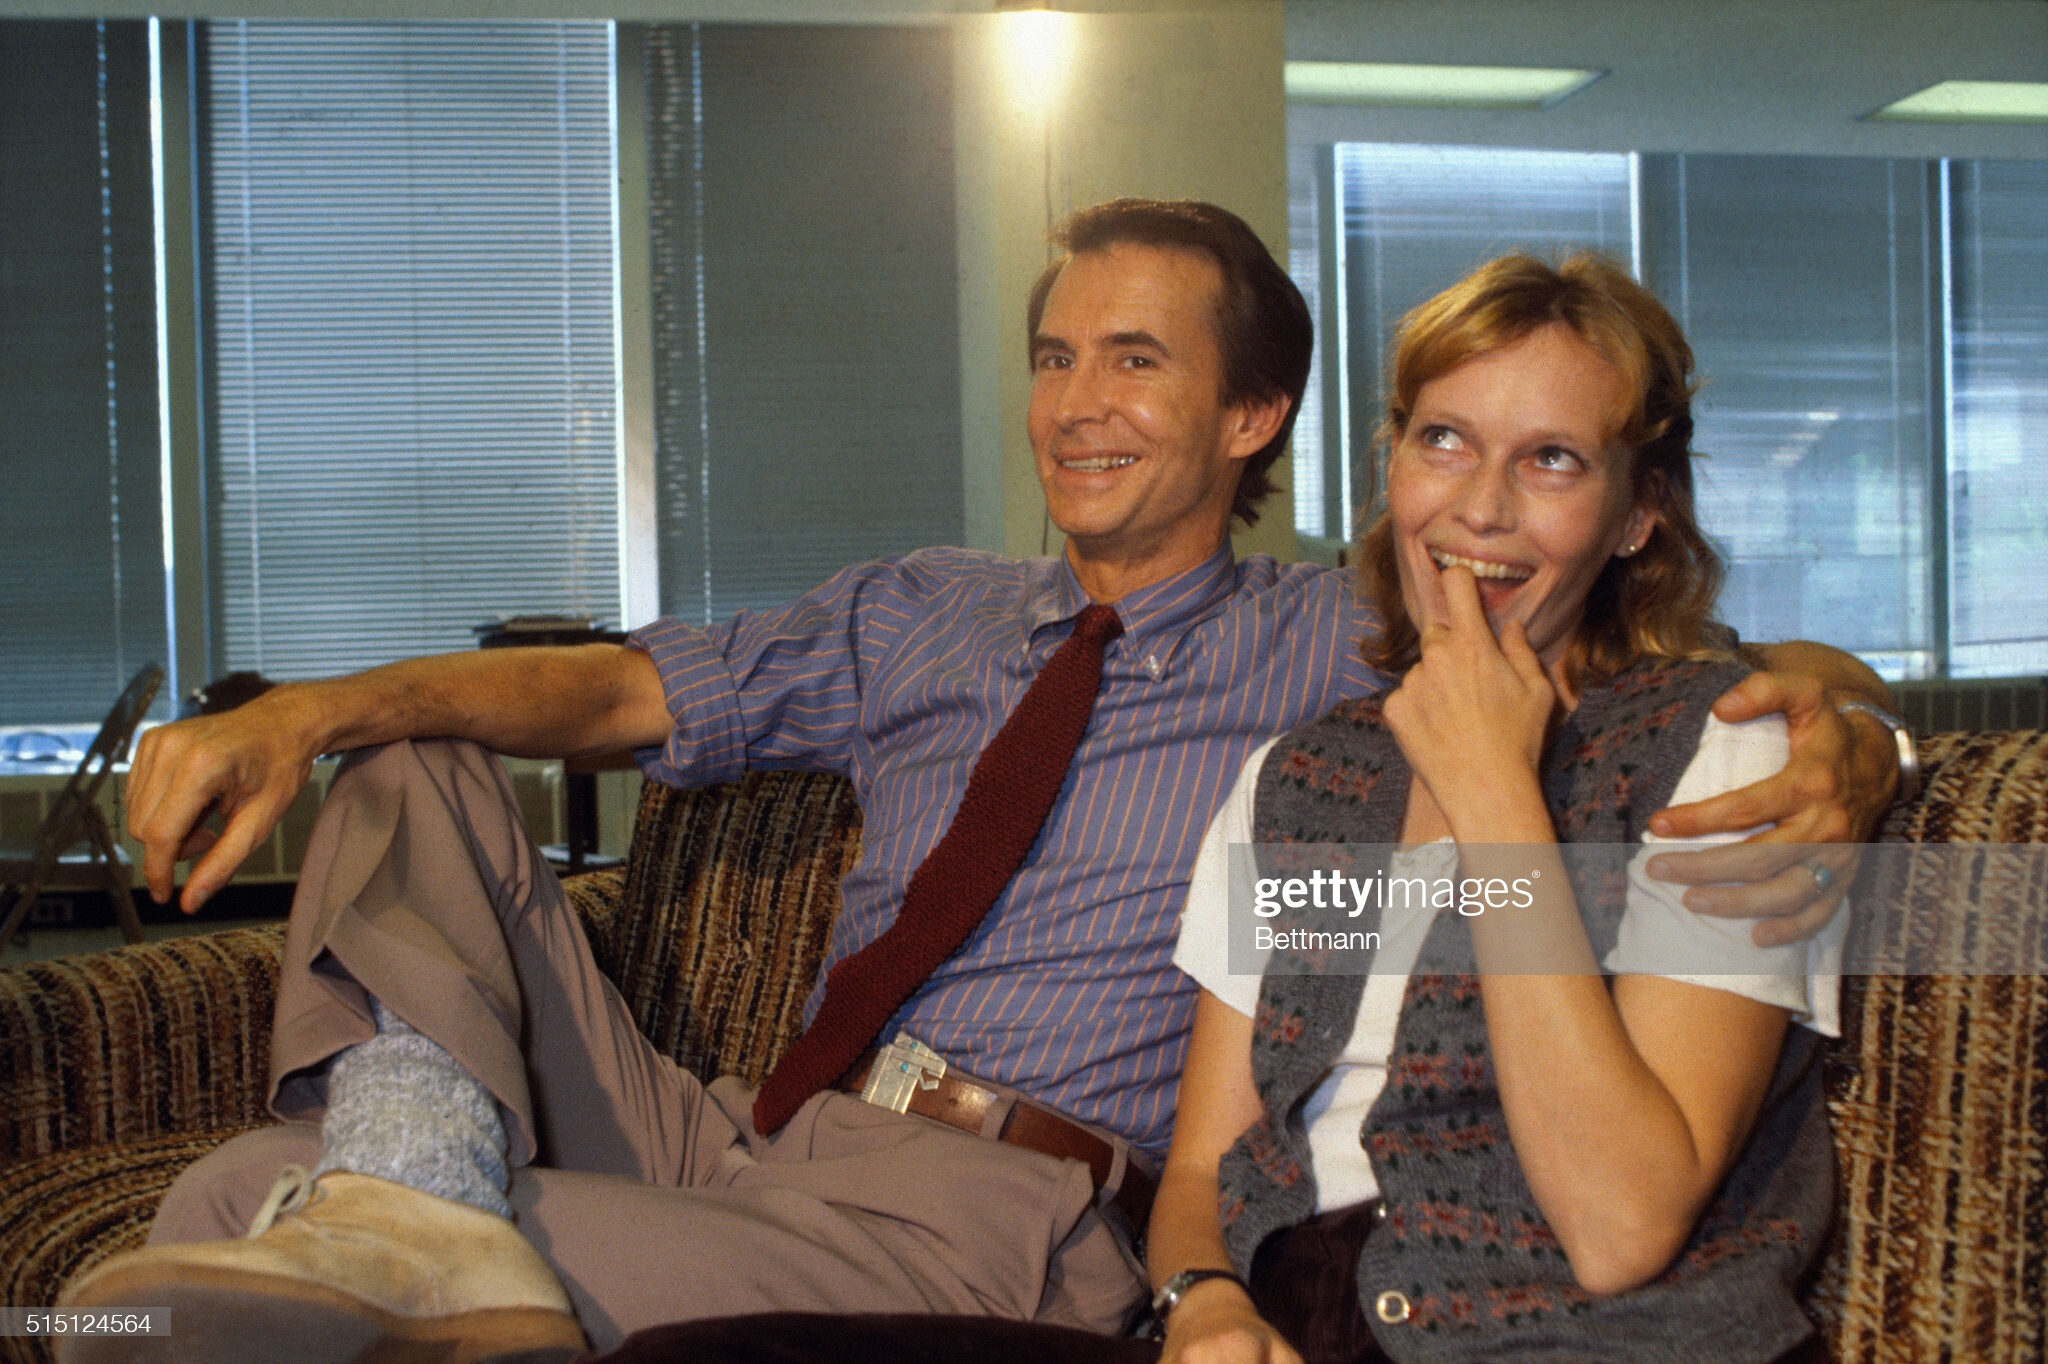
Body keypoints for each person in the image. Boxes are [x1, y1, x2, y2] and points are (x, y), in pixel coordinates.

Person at [60, 202, 1895, 1362]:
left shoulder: (1334, 650)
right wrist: (310, 709)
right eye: (1053, 356)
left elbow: (1625, 661)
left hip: (988, 1203)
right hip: (749, 1127)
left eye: (1134, 360)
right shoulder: (917, 610)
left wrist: (1843, 713)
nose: (1077, 402)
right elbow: (615, 687)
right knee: (408, 764)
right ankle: (409, 1174)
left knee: (221, 1219)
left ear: (1253, 417)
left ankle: (404, 1209)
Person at [1148, 253, 1848, 1364]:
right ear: (1392, 462)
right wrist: (1205, 1301)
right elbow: (1202, 1166)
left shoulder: (1715, 755)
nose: (1479, 507)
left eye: (1551, 459)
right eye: (1444, 440)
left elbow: (1619, 1221)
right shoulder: (1302, 782)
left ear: (1637, 514)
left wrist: (1493, 792)